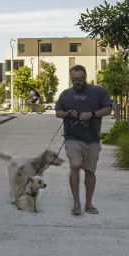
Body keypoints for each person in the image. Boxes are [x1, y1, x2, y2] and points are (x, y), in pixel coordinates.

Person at [55, 64, 113, 216]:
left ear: (86, 77)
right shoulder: (66, 94)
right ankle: (76, 203)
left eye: (80, 79)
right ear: (71, 78)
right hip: (72, 137)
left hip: (92, 139)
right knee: (74, 165)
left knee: (89, 170)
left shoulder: (99, 91)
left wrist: (92, 114)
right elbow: (58, 112)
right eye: (74, 79)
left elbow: (108, 109)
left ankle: (88, 203)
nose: (77, 82)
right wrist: (67, 114)